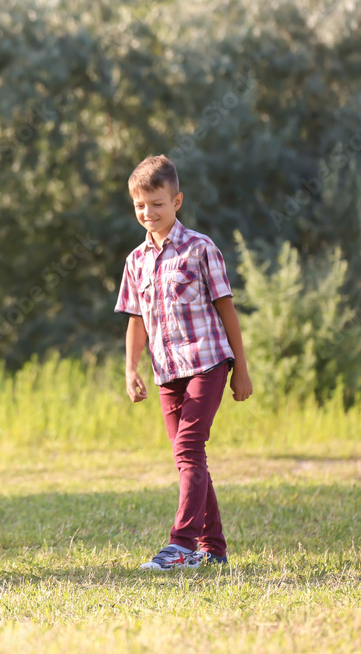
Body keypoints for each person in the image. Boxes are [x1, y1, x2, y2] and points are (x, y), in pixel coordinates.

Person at [114, 155, 253, 571]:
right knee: (187, 455)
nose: (148, 213)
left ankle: (181, 544)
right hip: (166, 371)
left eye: (156, 204)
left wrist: (241, 368)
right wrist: (130, 369)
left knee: (190, 448)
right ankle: (214, 548)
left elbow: (227, 310)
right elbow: (136, 320)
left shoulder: (201, 248)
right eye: (140, 205)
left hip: (208, 363)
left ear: (177, 201)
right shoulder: (135, 261)